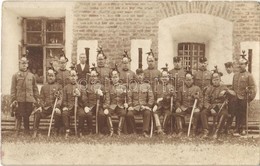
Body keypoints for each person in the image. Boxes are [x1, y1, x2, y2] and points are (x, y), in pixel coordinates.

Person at [200, 66, 235, 139]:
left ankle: (217, 132)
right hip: (211, 107)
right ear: (212, 80)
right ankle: (206, 131)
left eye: (217, 79)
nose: (215, 81)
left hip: (221, 107)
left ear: (220, 80)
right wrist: (211, 108)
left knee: (224, 114)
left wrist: (226, 91)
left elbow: (234, 94)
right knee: (203, 112)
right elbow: (205, 101)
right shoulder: (208, 88)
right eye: (214, 80)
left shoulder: (223, 87)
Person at [10, 54, 39, 136]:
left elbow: (35, 89)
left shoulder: (32, 76)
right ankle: (17, 131)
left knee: (27, 115)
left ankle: (27, 131)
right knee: (18, 114)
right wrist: (13, 99)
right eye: (22, 63)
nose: (24, 65)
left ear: (27, 64)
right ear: (19, 63)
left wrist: (36, 99)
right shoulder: (15, 75)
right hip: (20, 99)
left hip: (29, 99)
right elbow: (13, 89)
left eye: (25, 63)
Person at [32, 67, 62, 138]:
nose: (50, 77)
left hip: (54, 107)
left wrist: (57, 106)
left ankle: (55, 130)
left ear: (55, 77)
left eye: (52, 76)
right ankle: (35, 130)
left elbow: (60, 98)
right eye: (49, 76)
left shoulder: (58, 86)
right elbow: (41, 98)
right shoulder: (44, 87)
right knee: (37, 113)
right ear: (47, 77)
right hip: (46, 107)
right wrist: (41, 106)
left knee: (57, 113)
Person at [232, 52, 256, 136]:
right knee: (236, 113)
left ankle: (243, 128)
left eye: (242, 64)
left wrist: (249, 98)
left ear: (246, 65)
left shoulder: (249, 75)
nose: (240, 66)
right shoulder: (235, 75)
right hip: (236, 98)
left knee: (243, 113)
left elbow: (253, 88)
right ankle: (236, 128)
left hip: (244, 98)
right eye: (239, 64)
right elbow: (233, 87)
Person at [79, 64, 106, 137]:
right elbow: (84, 97)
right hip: (90, 106)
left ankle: (100, 130)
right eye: (92, 76)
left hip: (98, 105)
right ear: (89, 76)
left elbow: (105, 98)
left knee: (102, 114)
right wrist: (86, 106)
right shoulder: (86, 86)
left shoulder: (101, 86)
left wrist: (102, 95)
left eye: (94, 76)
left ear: (97, 76)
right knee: (88, 114)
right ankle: (90, 130)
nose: (93, 78)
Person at [126, 67, 153, 137]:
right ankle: (134, 130)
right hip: (135, 107)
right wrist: (130, 106)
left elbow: (151, 98)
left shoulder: (147, 85)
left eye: (141, 75)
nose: (140, 76)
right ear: (136, 76)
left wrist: (147, 106)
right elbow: (129, 97)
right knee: (129, 114)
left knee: (147, 112)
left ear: (143, 75)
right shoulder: (132, 85)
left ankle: (145, 131)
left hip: (144, 106)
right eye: (138, 75)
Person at [103, 65, 129, 136]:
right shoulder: (109, 88)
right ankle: (111, 130)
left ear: (119, 77)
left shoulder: (123, 87)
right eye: (113, 77)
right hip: (112, 106)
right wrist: (106, 108)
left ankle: (119, 130)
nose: (115, 78)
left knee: (123, 113)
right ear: (111, 78)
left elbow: (127, 98)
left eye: (116, 77)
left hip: (120, 106)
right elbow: (107, 98)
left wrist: (126, 104)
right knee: (107, 113)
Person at [174, 70, 202, 136]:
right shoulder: (181, 89)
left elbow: (201, 100)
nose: (188, 81)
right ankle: (180, 130)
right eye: (187, 80)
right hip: (184, 107)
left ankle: (193, 130)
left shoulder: (197, 88)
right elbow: (178, 100)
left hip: (193, 107)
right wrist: (178, 107)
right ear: (185, 80)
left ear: (192, 79)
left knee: (197, 113)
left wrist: (199, 108)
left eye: (190, 80)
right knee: (177, 113)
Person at [152, 64, 176, 134]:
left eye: (166, 77)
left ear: (168, 77)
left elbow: (174, 98)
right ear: (160, 78)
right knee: (154, 113)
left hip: (167, 107)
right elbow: (153, 97)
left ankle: (163, 128)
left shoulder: (171, 87)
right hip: (158, 107)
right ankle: (159, 128)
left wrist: (167, 97)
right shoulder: (157, 87)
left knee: (168, 113)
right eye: (163, 77)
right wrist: (155, 104)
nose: (164, 78)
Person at [62, 66, 83, 138]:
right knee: (64, 113)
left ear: (77, 77)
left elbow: (84, 99)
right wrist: (65, 106)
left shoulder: (81, 87)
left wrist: (79, 95)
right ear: (69, 77)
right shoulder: (66, 87)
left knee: (82, 114)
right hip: (69, 107)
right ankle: (68, 130)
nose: (73, 78)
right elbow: (64, 100)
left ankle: (80, 130)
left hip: (78, 106)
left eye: (74, 76)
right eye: (71, 76)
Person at [222, 62, 236, 134]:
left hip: (232, 96)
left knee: (231, 111)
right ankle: (223, 126)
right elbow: (222, 86)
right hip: (225, 96)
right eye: (226, 67)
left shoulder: (235, 76)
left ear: (232, 67)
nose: (228, 69)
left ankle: (228, 127)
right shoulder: (223, 77)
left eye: (229, 67)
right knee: (224, 111)